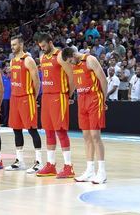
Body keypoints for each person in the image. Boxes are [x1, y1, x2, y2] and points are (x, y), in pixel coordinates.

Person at [61, 48, 107, 184]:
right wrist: (69, 95)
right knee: (86, 136)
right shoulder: (74, 65)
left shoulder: (90, 60)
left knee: (95, 136)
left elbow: (103, 80)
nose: (71, 64)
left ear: (74, 55)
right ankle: (90, 170)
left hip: (94, 98)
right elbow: (75, 82)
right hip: (82, 100)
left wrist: (103, 100)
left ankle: (102, 171)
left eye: (70, 61)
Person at [35, 33, 75, 179]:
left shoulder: (60, 56)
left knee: (61, 131)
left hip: (59, 96)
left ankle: (68, 166)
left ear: (51, 42)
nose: (43, 49)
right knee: (49, 131)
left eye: (44, 46)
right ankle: (51, 165)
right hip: (46, 96)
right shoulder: (42, 57)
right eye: (40, 47)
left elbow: (72, 76)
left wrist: (67, 95)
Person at [5, 35, 43, 173]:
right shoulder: (12, 61)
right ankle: (19, 161)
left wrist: (33, 97)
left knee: (32, 129)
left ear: (21, 45)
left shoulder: (28, 60)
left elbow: (37, 81)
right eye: (11, 45)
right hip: (14, 98)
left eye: (14, 44)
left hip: (26, 98)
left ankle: (39, 162)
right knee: (16, 129)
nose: (12, 47)